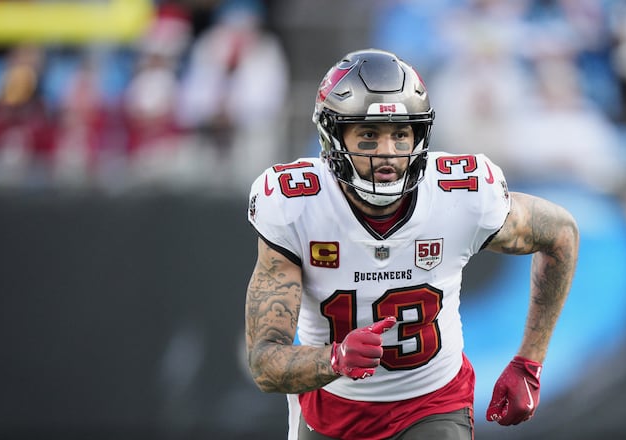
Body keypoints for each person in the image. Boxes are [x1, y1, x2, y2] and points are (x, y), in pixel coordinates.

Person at [244, 49, 579, 440]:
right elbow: (265, 361)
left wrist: (529, 363)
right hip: (332, 408)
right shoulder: (297, 205)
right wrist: (333, 358)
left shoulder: (461, 194)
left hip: (432, 402)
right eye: (369, 135)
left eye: (401, 134)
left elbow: (561, 234)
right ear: (332, 137)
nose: (388, 152)